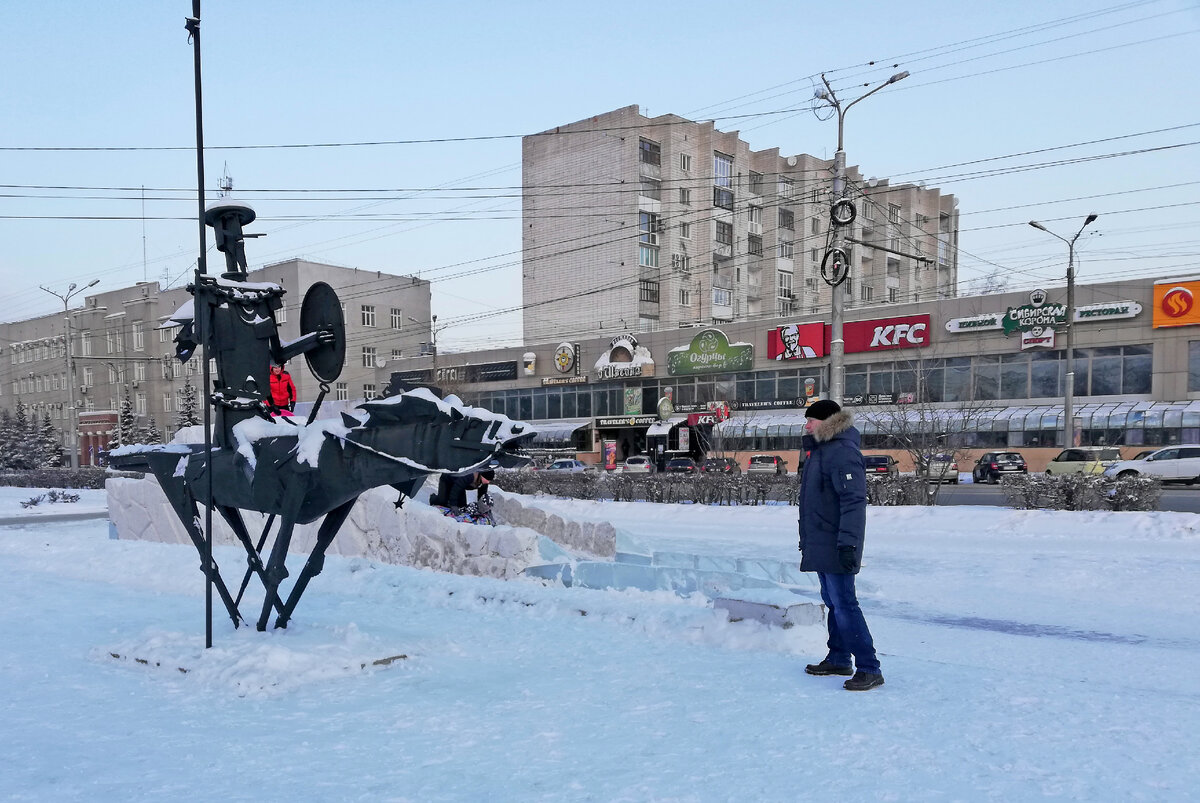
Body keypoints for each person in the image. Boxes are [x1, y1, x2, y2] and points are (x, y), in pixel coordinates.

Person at [797, 398, 883, 691]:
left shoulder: (842, 452)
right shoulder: (820, 452)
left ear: (829, 421)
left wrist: (848, 545)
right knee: (833, 602)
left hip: (838, 543)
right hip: (822, 541)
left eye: (811, 420)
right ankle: (838, 657)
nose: (806, 425)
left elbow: (853, 503)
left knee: (845, 604)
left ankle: (869, 667)